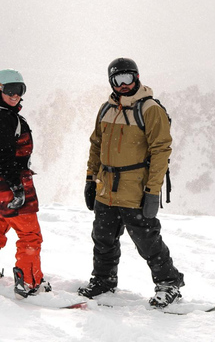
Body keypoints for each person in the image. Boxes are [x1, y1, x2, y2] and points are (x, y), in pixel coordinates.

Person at [79, 58, 184, 308]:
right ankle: (104, 281)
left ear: (137, 78)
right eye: (118, 79)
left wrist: (152, 191)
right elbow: (96, 144)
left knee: (147, 240)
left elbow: (161, 150)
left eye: (128, 78)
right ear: (111, 82)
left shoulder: (149, 109)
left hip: (135, 188)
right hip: (106, 187)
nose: (123, 84)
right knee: (103, 238)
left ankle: (169, 283)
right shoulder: (106, 109)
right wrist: (90, 179)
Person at [0, 69, 50, 298]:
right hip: (11, 185)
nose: (15, 96)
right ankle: (29, 282)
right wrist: (17, 188)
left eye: (20, 90)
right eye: (10, 90)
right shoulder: (3, 117)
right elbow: (4, 157)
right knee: (30, 236)